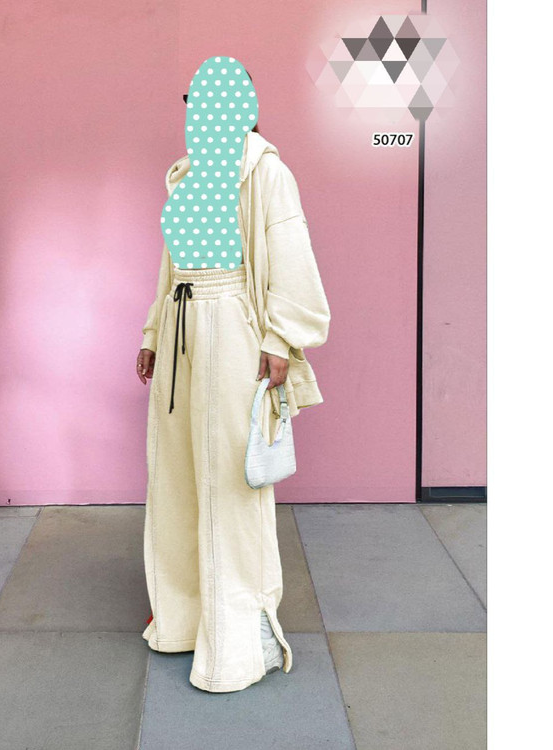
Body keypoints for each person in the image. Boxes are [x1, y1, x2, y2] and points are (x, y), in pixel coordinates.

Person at [136, 56, 330, 693]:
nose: (200, 110)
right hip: (182, 324)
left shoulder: (265, 171)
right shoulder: (189, 173)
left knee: (228, 480)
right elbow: (172, 266)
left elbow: (290, 255)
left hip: (232, 323)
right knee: (175, 477)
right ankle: (184, 618)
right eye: (193, 99)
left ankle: (241, 638)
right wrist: (153, 333)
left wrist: (280, 339)